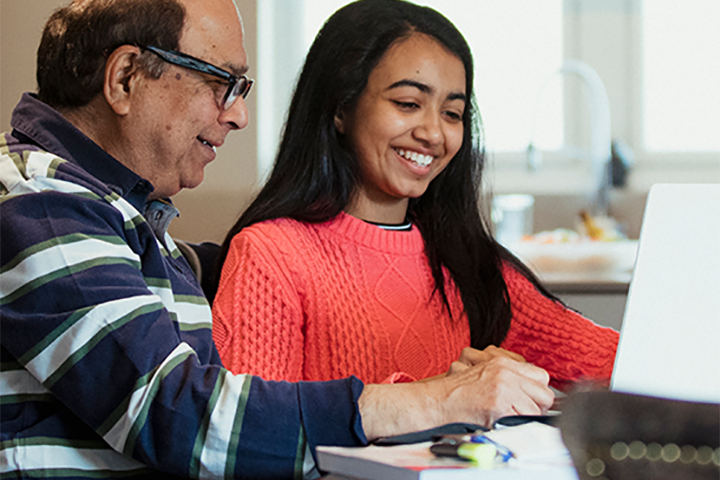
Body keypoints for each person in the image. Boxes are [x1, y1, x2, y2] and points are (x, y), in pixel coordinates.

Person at [0, 0, 558, 478]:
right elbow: (178, 415)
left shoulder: (117, 217)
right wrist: (438, 398)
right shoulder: (40, 205)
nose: (238, 114)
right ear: (125, 78)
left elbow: (245, 266)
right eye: (222, 84)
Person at [212, 0, 619, 389]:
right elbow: (255, 433)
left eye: (452, 113)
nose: (434, 133)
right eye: (408, 103)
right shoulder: (269, 255)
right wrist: (444, 396)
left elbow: (619, 362)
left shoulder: (469, 265)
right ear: (341, 109)